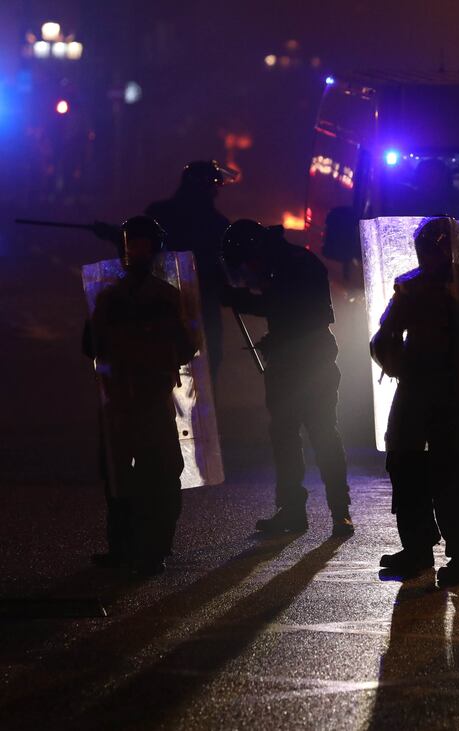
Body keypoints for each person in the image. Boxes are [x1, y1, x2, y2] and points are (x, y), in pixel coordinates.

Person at [370, 216, 459, 587]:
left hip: (453, 390)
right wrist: (398, 362)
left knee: (448, 474)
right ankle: (417, 549)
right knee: (403, 466)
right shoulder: (411, 286)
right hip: (415, 387)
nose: (431, 257)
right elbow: (383, 336)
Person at [221, 220, 353, 537]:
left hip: (307, 359)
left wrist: (236, 298)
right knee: (292, 434)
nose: (249, 271)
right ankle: (304, 510)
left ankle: (333, 511)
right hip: (296, 356)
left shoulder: (292, 265)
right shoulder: (288, 260)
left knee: (315, 432)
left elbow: (281, 304)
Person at [85, 216, 198, 576]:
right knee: (125, 477)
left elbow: (185, 348)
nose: (137, 251)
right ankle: (132, 548)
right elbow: (91, 345)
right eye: (133, 244)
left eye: (142, 244)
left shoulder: (158, 297)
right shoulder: (119, 297)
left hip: (144, 398)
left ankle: (148, 549)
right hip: (125, 398)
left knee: (157, 475)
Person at [146, 161, 232, 382]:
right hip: (201, 308)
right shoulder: (218, 223)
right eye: (214, 186)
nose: (216, 192)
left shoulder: (158, 213)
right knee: (206, 369)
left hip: (163, 305)